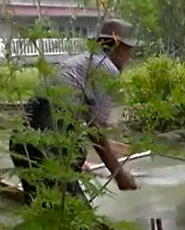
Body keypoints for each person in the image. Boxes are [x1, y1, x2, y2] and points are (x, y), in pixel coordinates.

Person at [9, 19, 137, 205]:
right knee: (74, 214)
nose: (130, 58)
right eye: (129, 51)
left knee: (42, 212)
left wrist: (74, 160)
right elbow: (96, 131)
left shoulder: (78, 62)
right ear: (121, 47)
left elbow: (63, 118)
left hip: (22, 143)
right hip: (49, 146)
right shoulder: (106, 69)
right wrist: (119, 174)